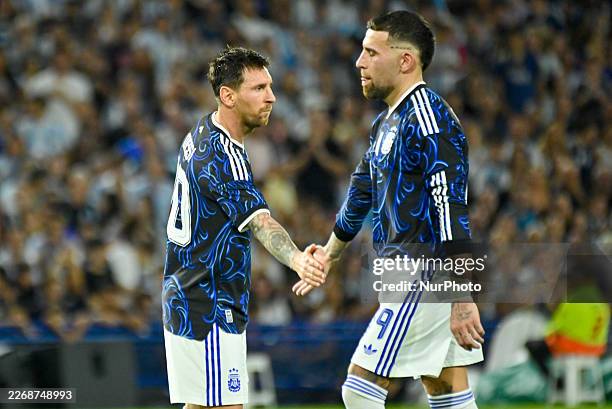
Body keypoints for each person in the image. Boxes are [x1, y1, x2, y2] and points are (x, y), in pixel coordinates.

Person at [294, 11, 485, 409]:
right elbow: (361, 190)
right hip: (405, 273)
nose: (359, 62)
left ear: (405, 61)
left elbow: (449, 207)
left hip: (424, 272)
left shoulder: (429, 119)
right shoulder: (387, 121)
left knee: (359, 387)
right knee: (446, 390)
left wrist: (462, 293)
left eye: (371, 52)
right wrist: (329, 252)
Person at [162, 46, 327, 409]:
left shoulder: (203, 130)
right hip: (209, 302)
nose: (272, 97)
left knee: (203, 405)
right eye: (259, 88)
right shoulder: (224, 155)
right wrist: (298, 259)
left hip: (187, 293)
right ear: (228, 96)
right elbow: (261, 223)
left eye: (270, 87)